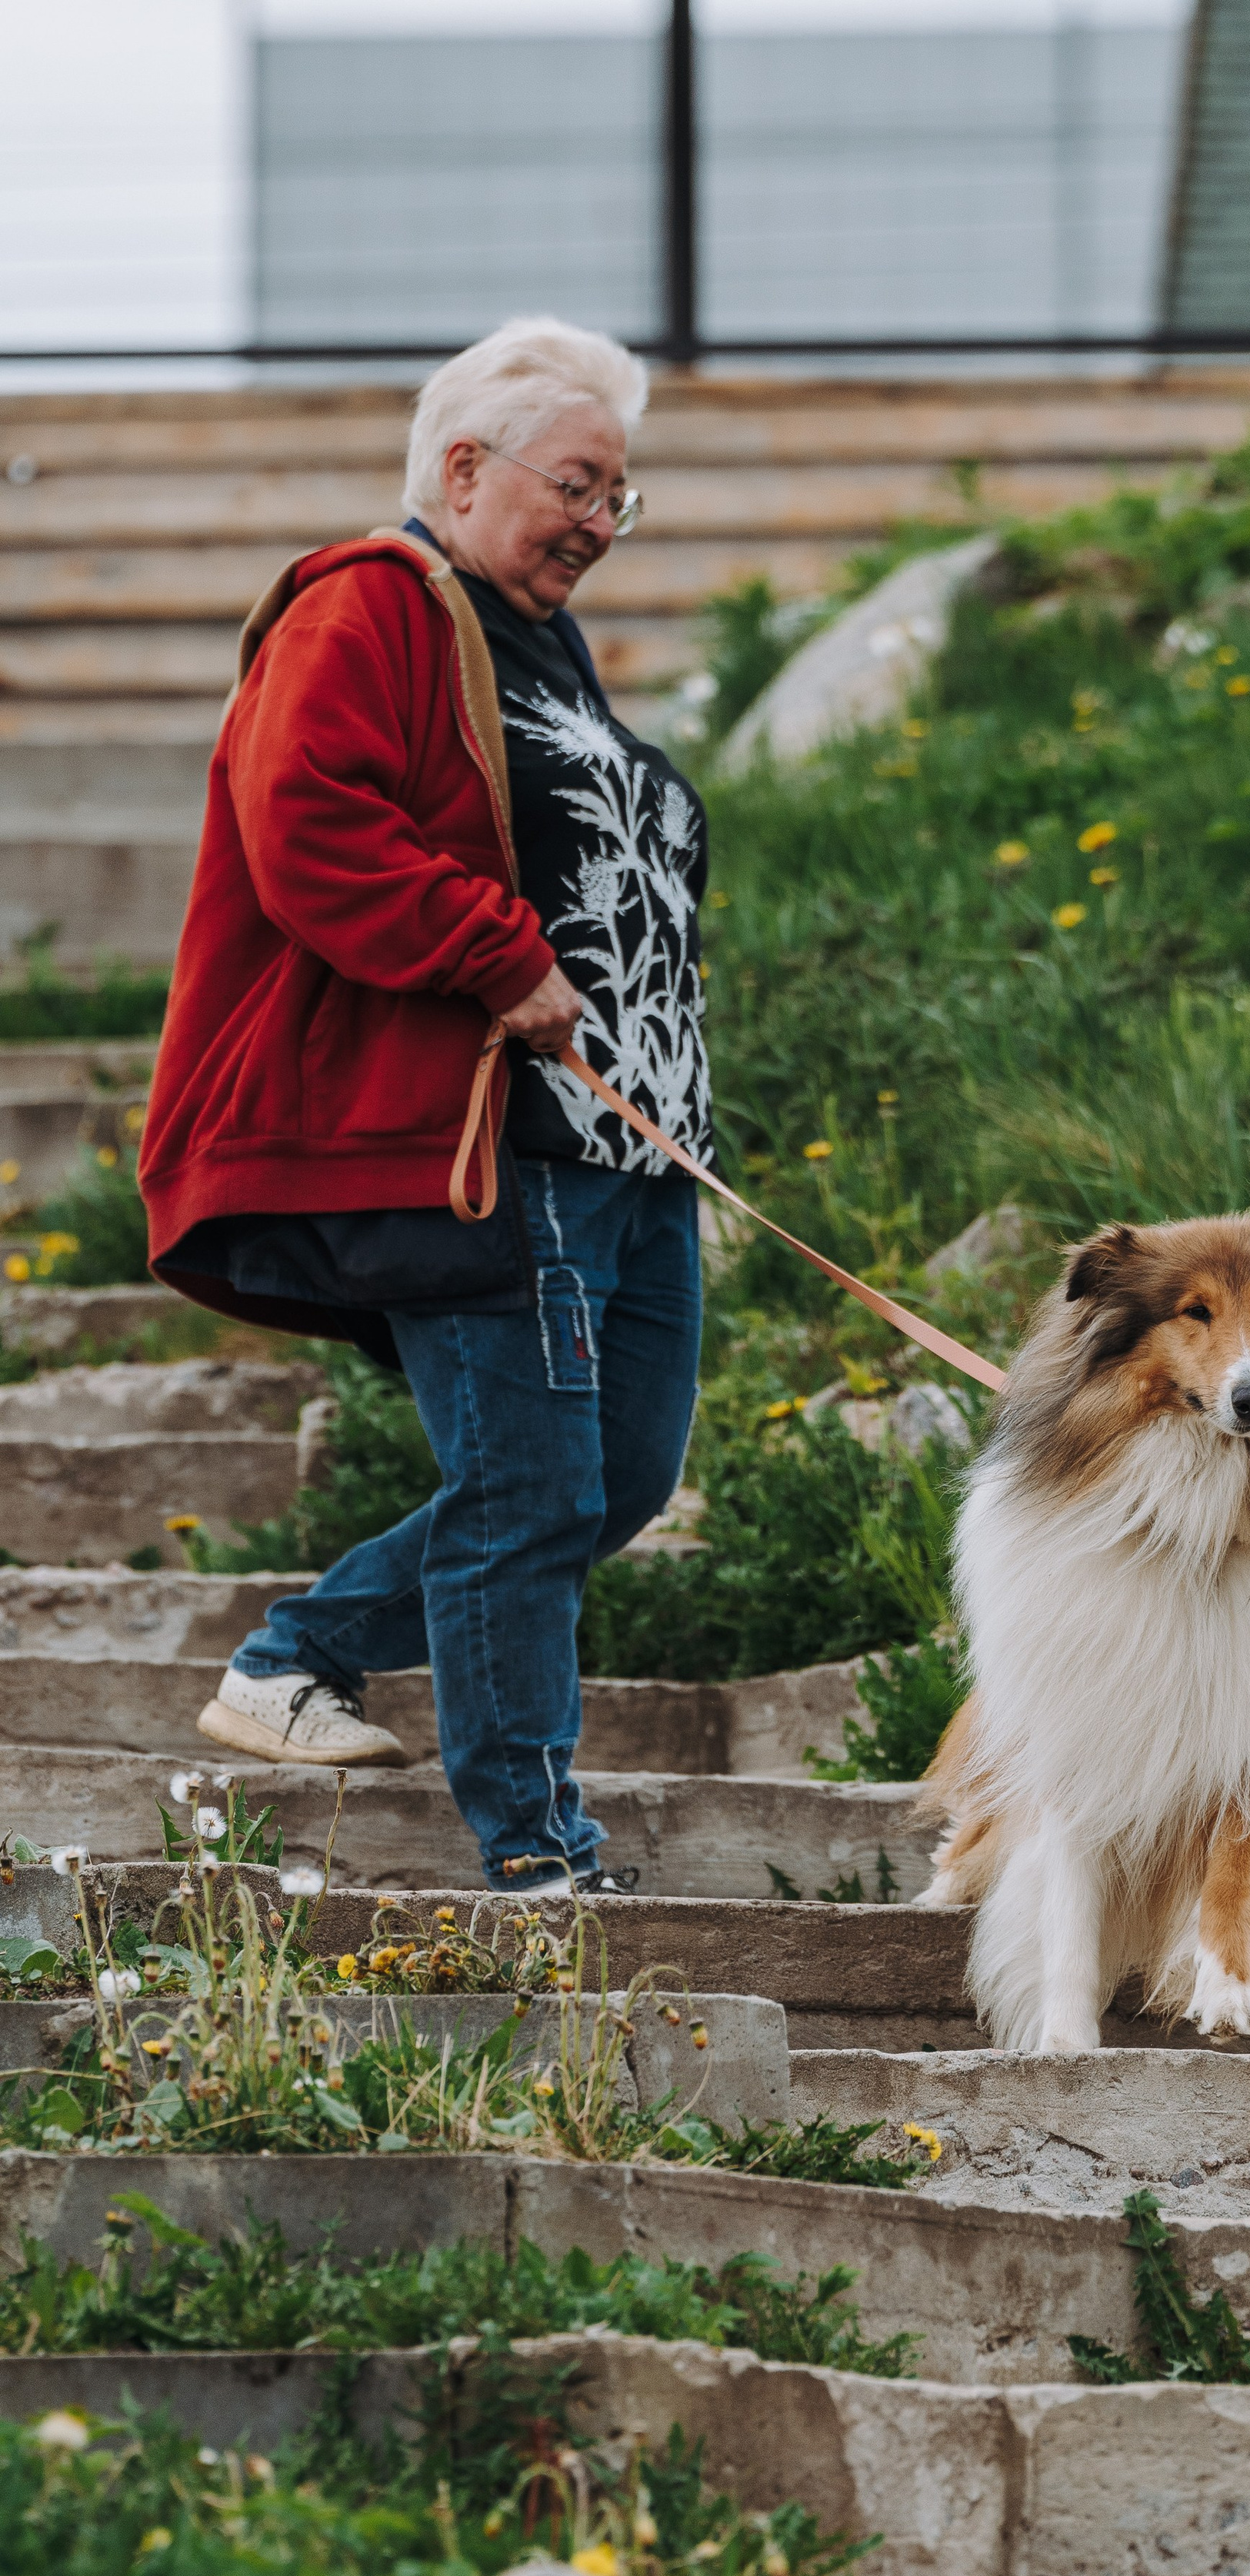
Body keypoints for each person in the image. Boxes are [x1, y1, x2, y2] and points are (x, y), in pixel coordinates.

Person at [140, 316, 709, 1892]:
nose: (600, 521)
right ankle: (540, 1854)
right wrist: (495, 955)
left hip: (630, 1149)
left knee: (620, 1478)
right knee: (534, 1488)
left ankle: (299, 1652)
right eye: (579, 485)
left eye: (620, 498)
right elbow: (305, 816)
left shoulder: (540, 645)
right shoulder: (373, 602)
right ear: (463, 469)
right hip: (488, 1140)